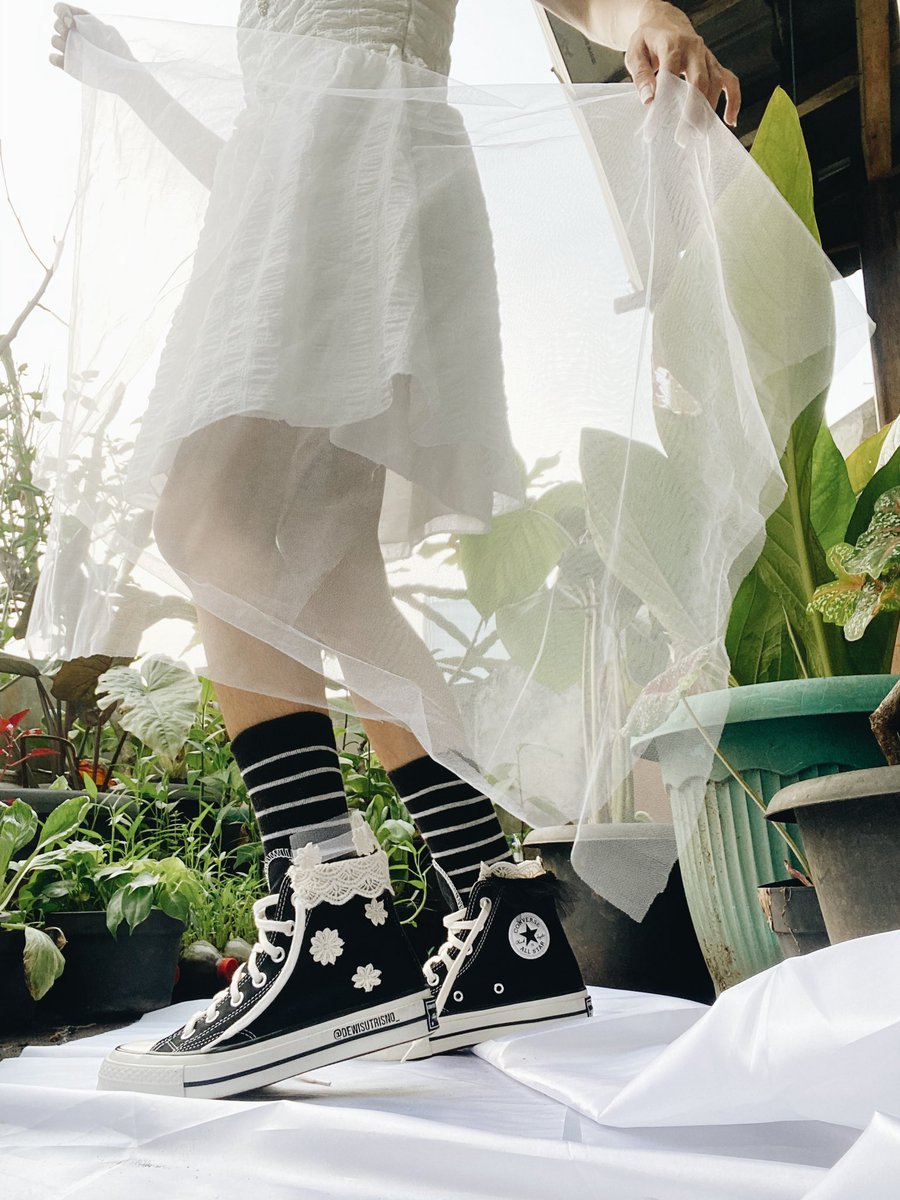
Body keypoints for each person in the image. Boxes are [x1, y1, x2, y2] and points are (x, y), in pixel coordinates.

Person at [46, 1, 738, 1099]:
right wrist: (132, 80)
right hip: (365, 150)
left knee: (202, 515)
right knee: (333, 571)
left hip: (343, 143)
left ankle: (336, 923)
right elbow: (251, 152)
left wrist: (630, 12)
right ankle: (501, 914)